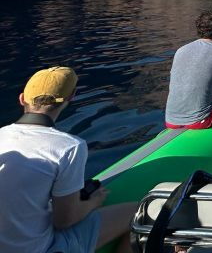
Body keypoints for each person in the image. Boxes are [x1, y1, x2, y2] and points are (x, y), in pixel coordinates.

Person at [0, 66, 136, 253]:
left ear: (22, 98)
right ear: (70, 98)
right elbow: (64, 221)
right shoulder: (69, 147)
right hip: (44, 249)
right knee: (139, 213)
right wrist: (93, 202)